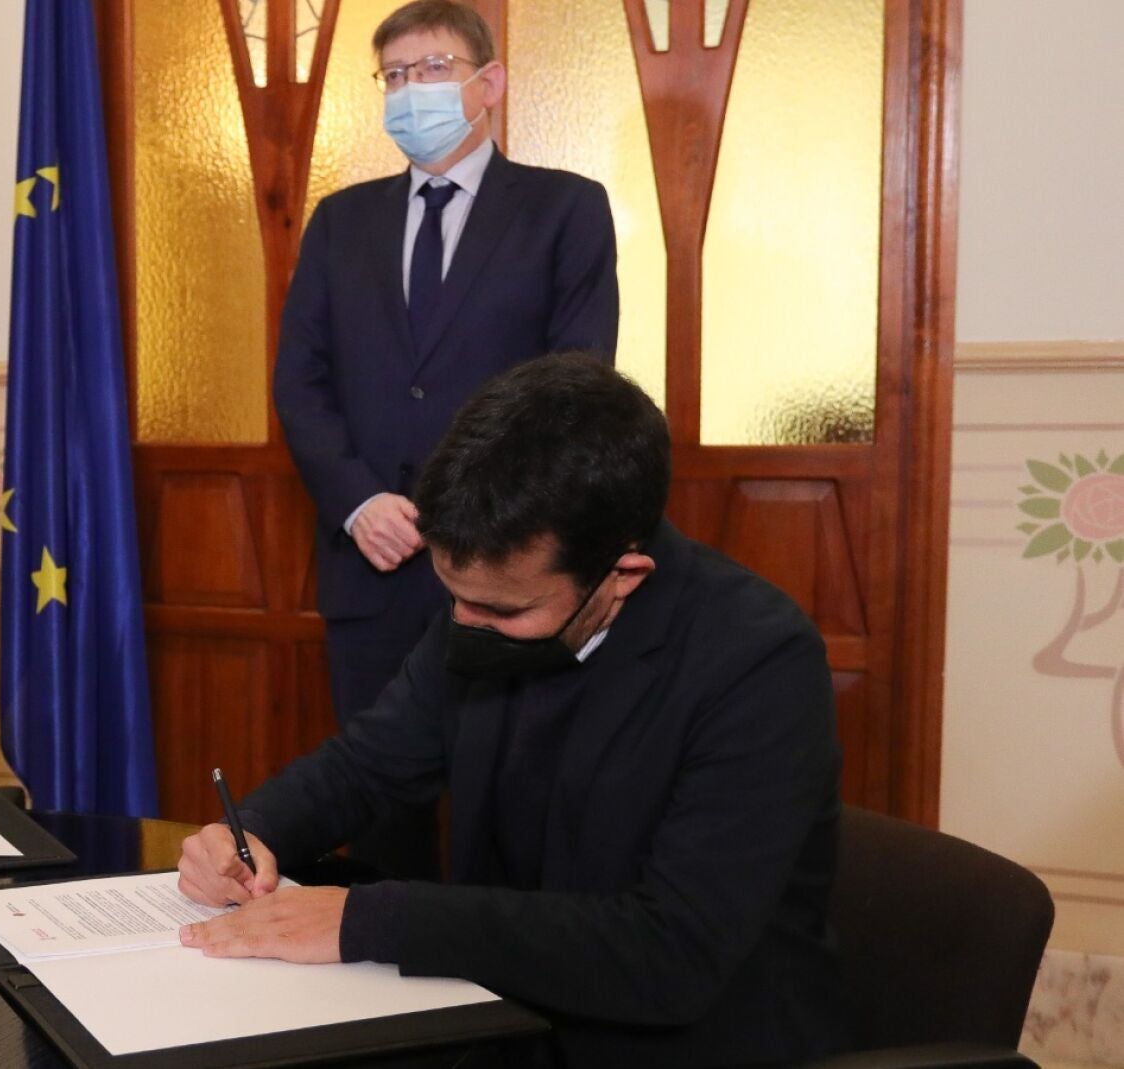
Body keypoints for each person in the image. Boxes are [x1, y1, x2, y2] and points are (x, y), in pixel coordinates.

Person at [179, 356, 846, 1068]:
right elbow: (366, 767)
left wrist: (372, 919)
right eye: (455, 597)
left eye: (502, 609)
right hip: (505, 1018)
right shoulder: (487, 604)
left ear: (622, 576)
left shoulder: (759, 660)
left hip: (682, 1045)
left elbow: (672, 952)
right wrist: (251, 831)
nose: (464, 624)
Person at [273, 0, 620, 879]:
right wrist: (358, 501)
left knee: (517, 809)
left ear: (488, 83)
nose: (409, 91)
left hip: (512, 567)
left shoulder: (565, 209)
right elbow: (299, 382)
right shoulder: (339, 222)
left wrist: (483, 519)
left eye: (432, 69)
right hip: (373, 567)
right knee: (380, 814)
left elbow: (575, 383)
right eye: (394, 75)